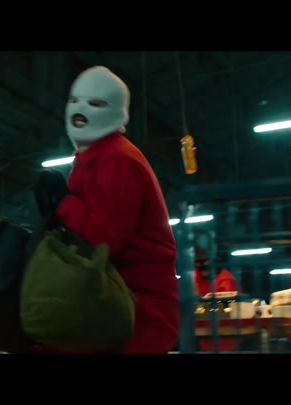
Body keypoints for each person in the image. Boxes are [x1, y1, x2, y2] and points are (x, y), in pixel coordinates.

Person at [37, 66, 179, 354]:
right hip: (114, 304)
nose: (80, 109)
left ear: (115, 111)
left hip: (134, 312)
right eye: (74, 100)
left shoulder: (117, 160)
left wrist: (62, 202)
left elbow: (101, 242)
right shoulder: (95, 157)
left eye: (95, 103)